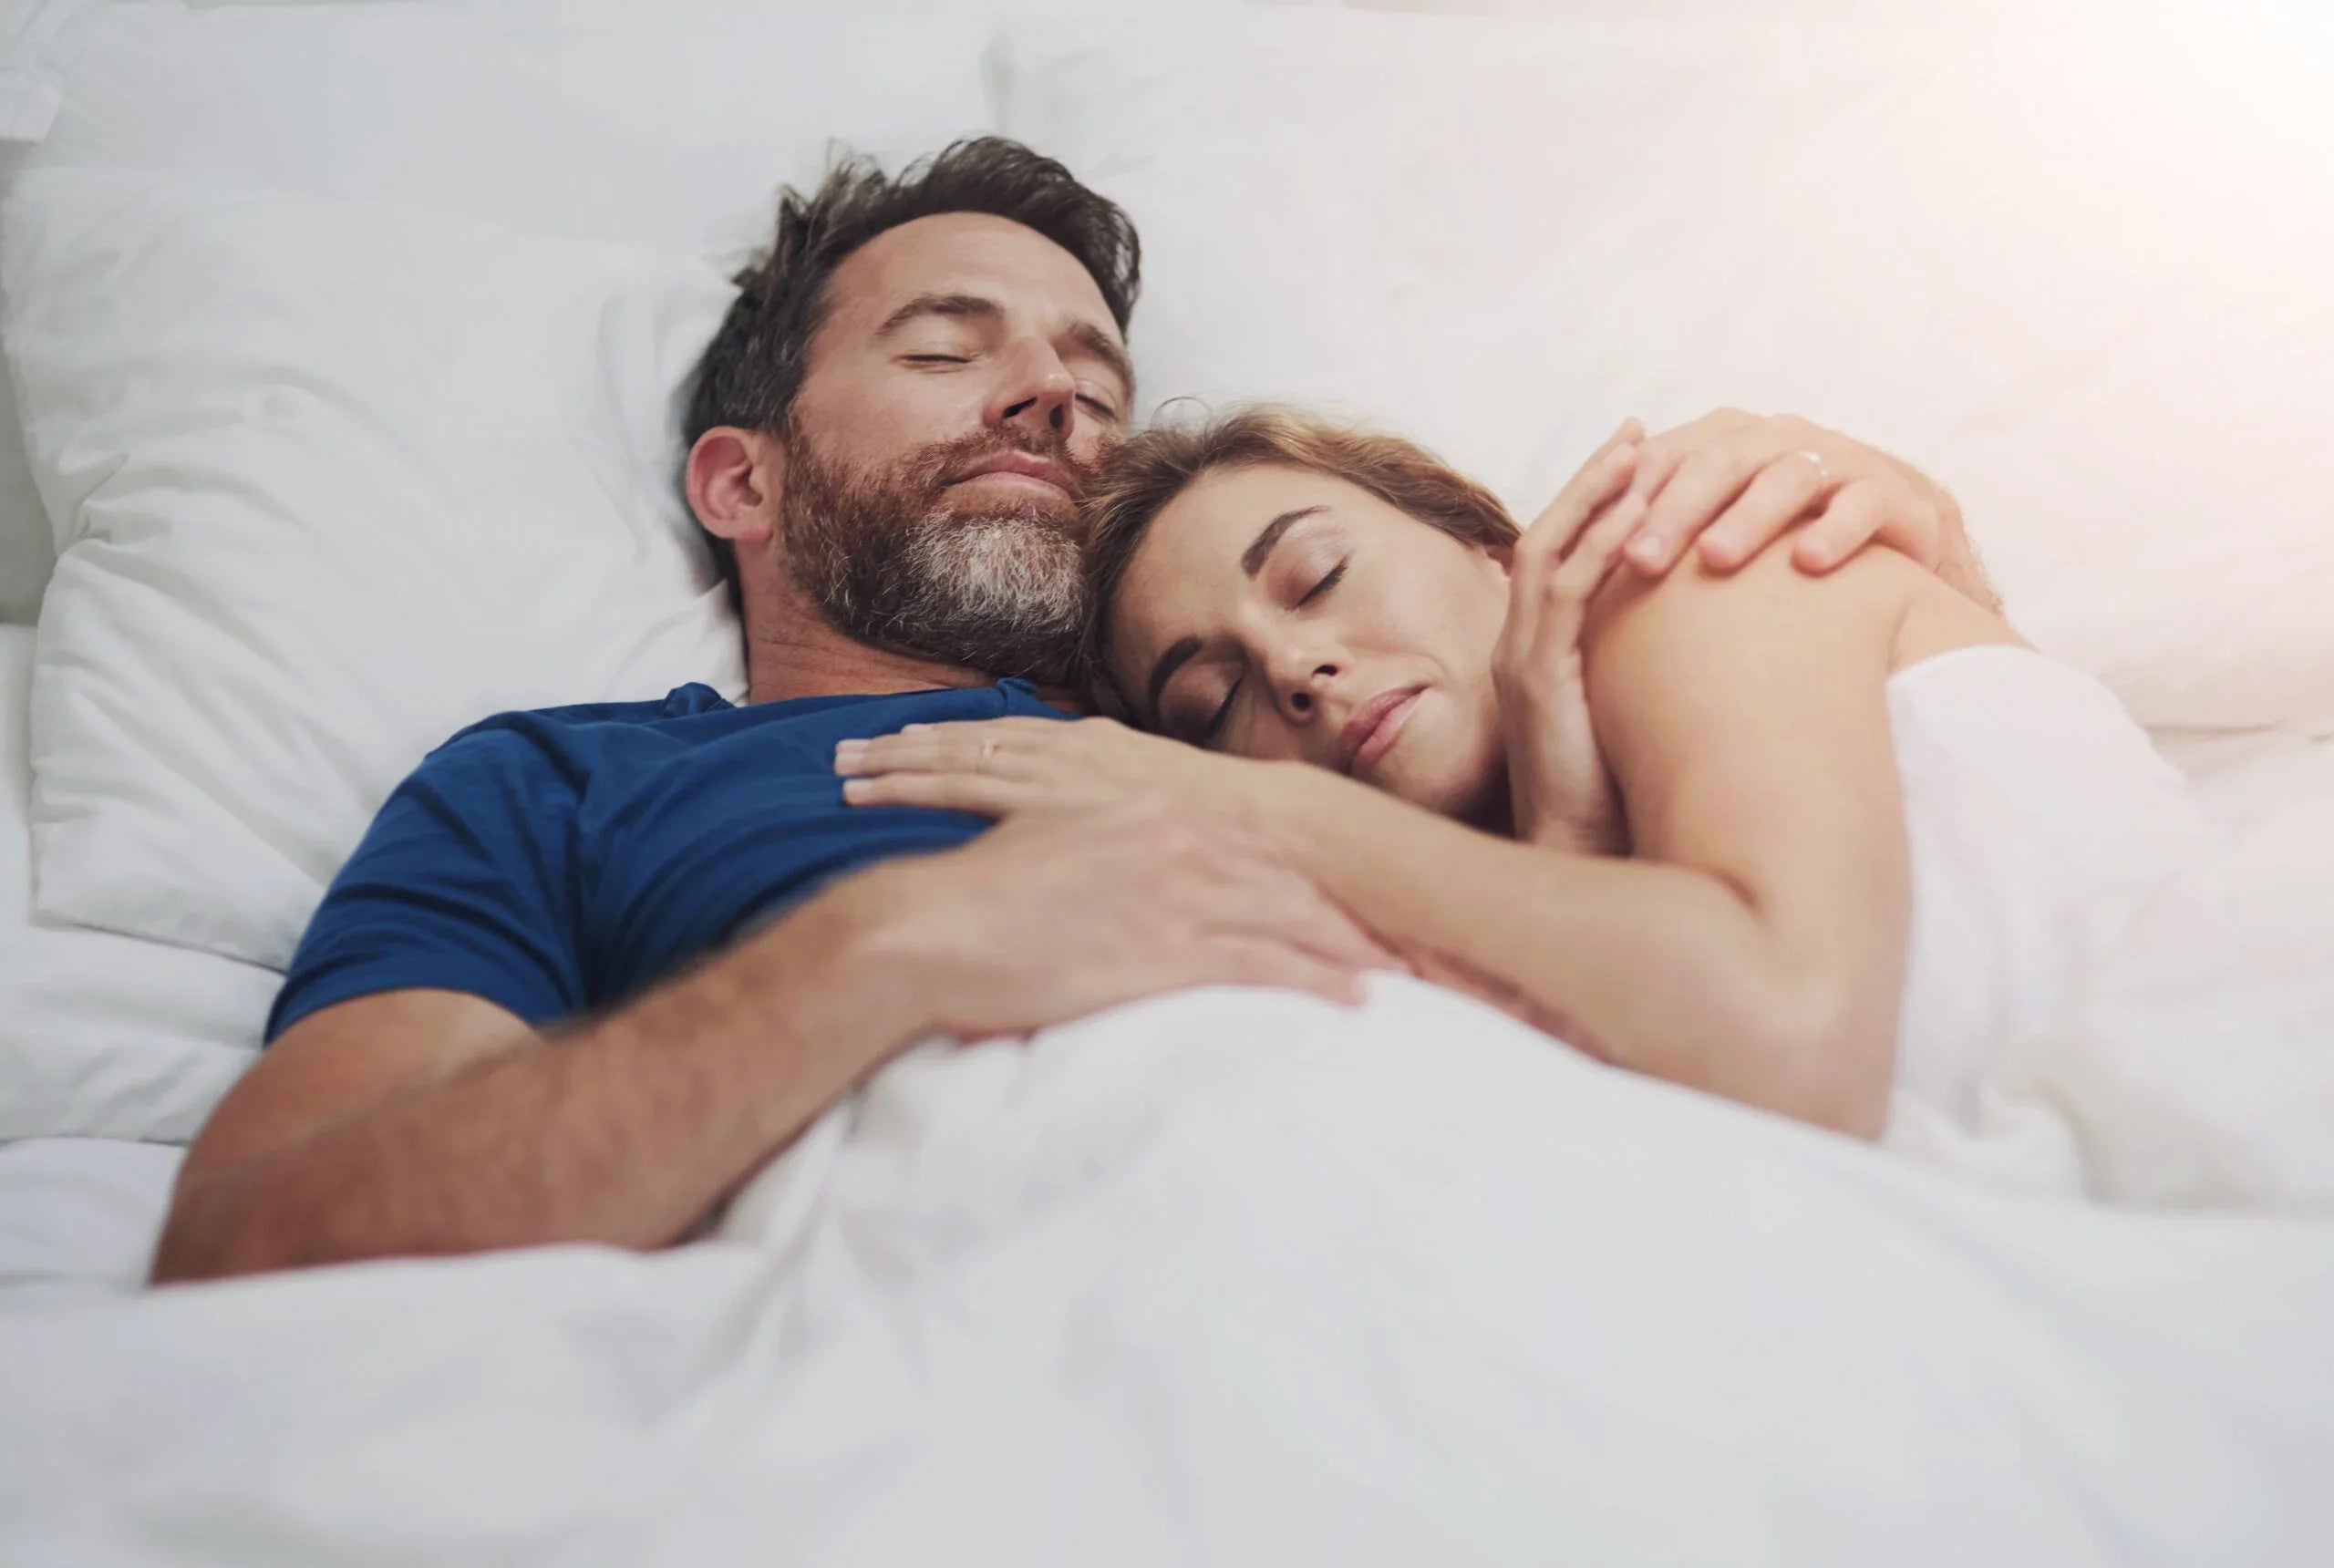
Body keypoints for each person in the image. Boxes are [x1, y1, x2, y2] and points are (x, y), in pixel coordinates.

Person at [152, 139, 1988, 1284]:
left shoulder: (1288, 689)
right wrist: (880, 953)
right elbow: (251, 1238)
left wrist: (1895, 549)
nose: (1047, 396)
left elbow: (1753, 856)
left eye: (1090, 374)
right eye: (949, 351)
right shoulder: (561, 782)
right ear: (742, 482)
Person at [834, 407, 2214, 1144]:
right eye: (1212, 703)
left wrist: (1260, 800)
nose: (1298, 672)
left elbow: (1789, 1039)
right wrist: (1556, 833)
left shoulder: (1677, 567)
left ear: (1487, 544)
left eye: (1315, 575)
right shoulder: (1483, 927)